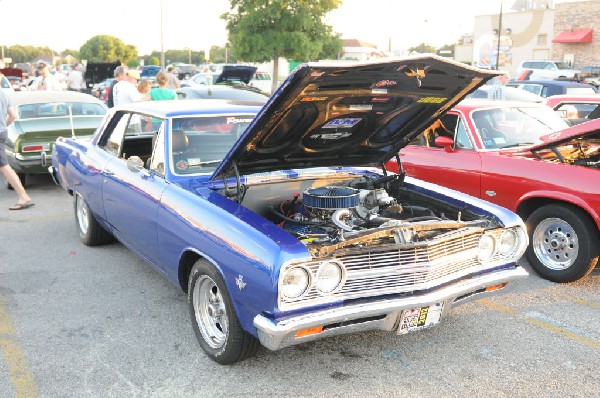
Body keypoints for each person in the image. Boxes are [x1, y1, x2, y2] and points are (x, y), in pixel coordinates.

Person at [0, 86, 34, 210]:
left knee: (4, 166)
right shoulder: (4, 94)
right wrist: (4, 125)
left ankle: (23, 197)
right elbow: (13, 115)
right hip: (2, 132)